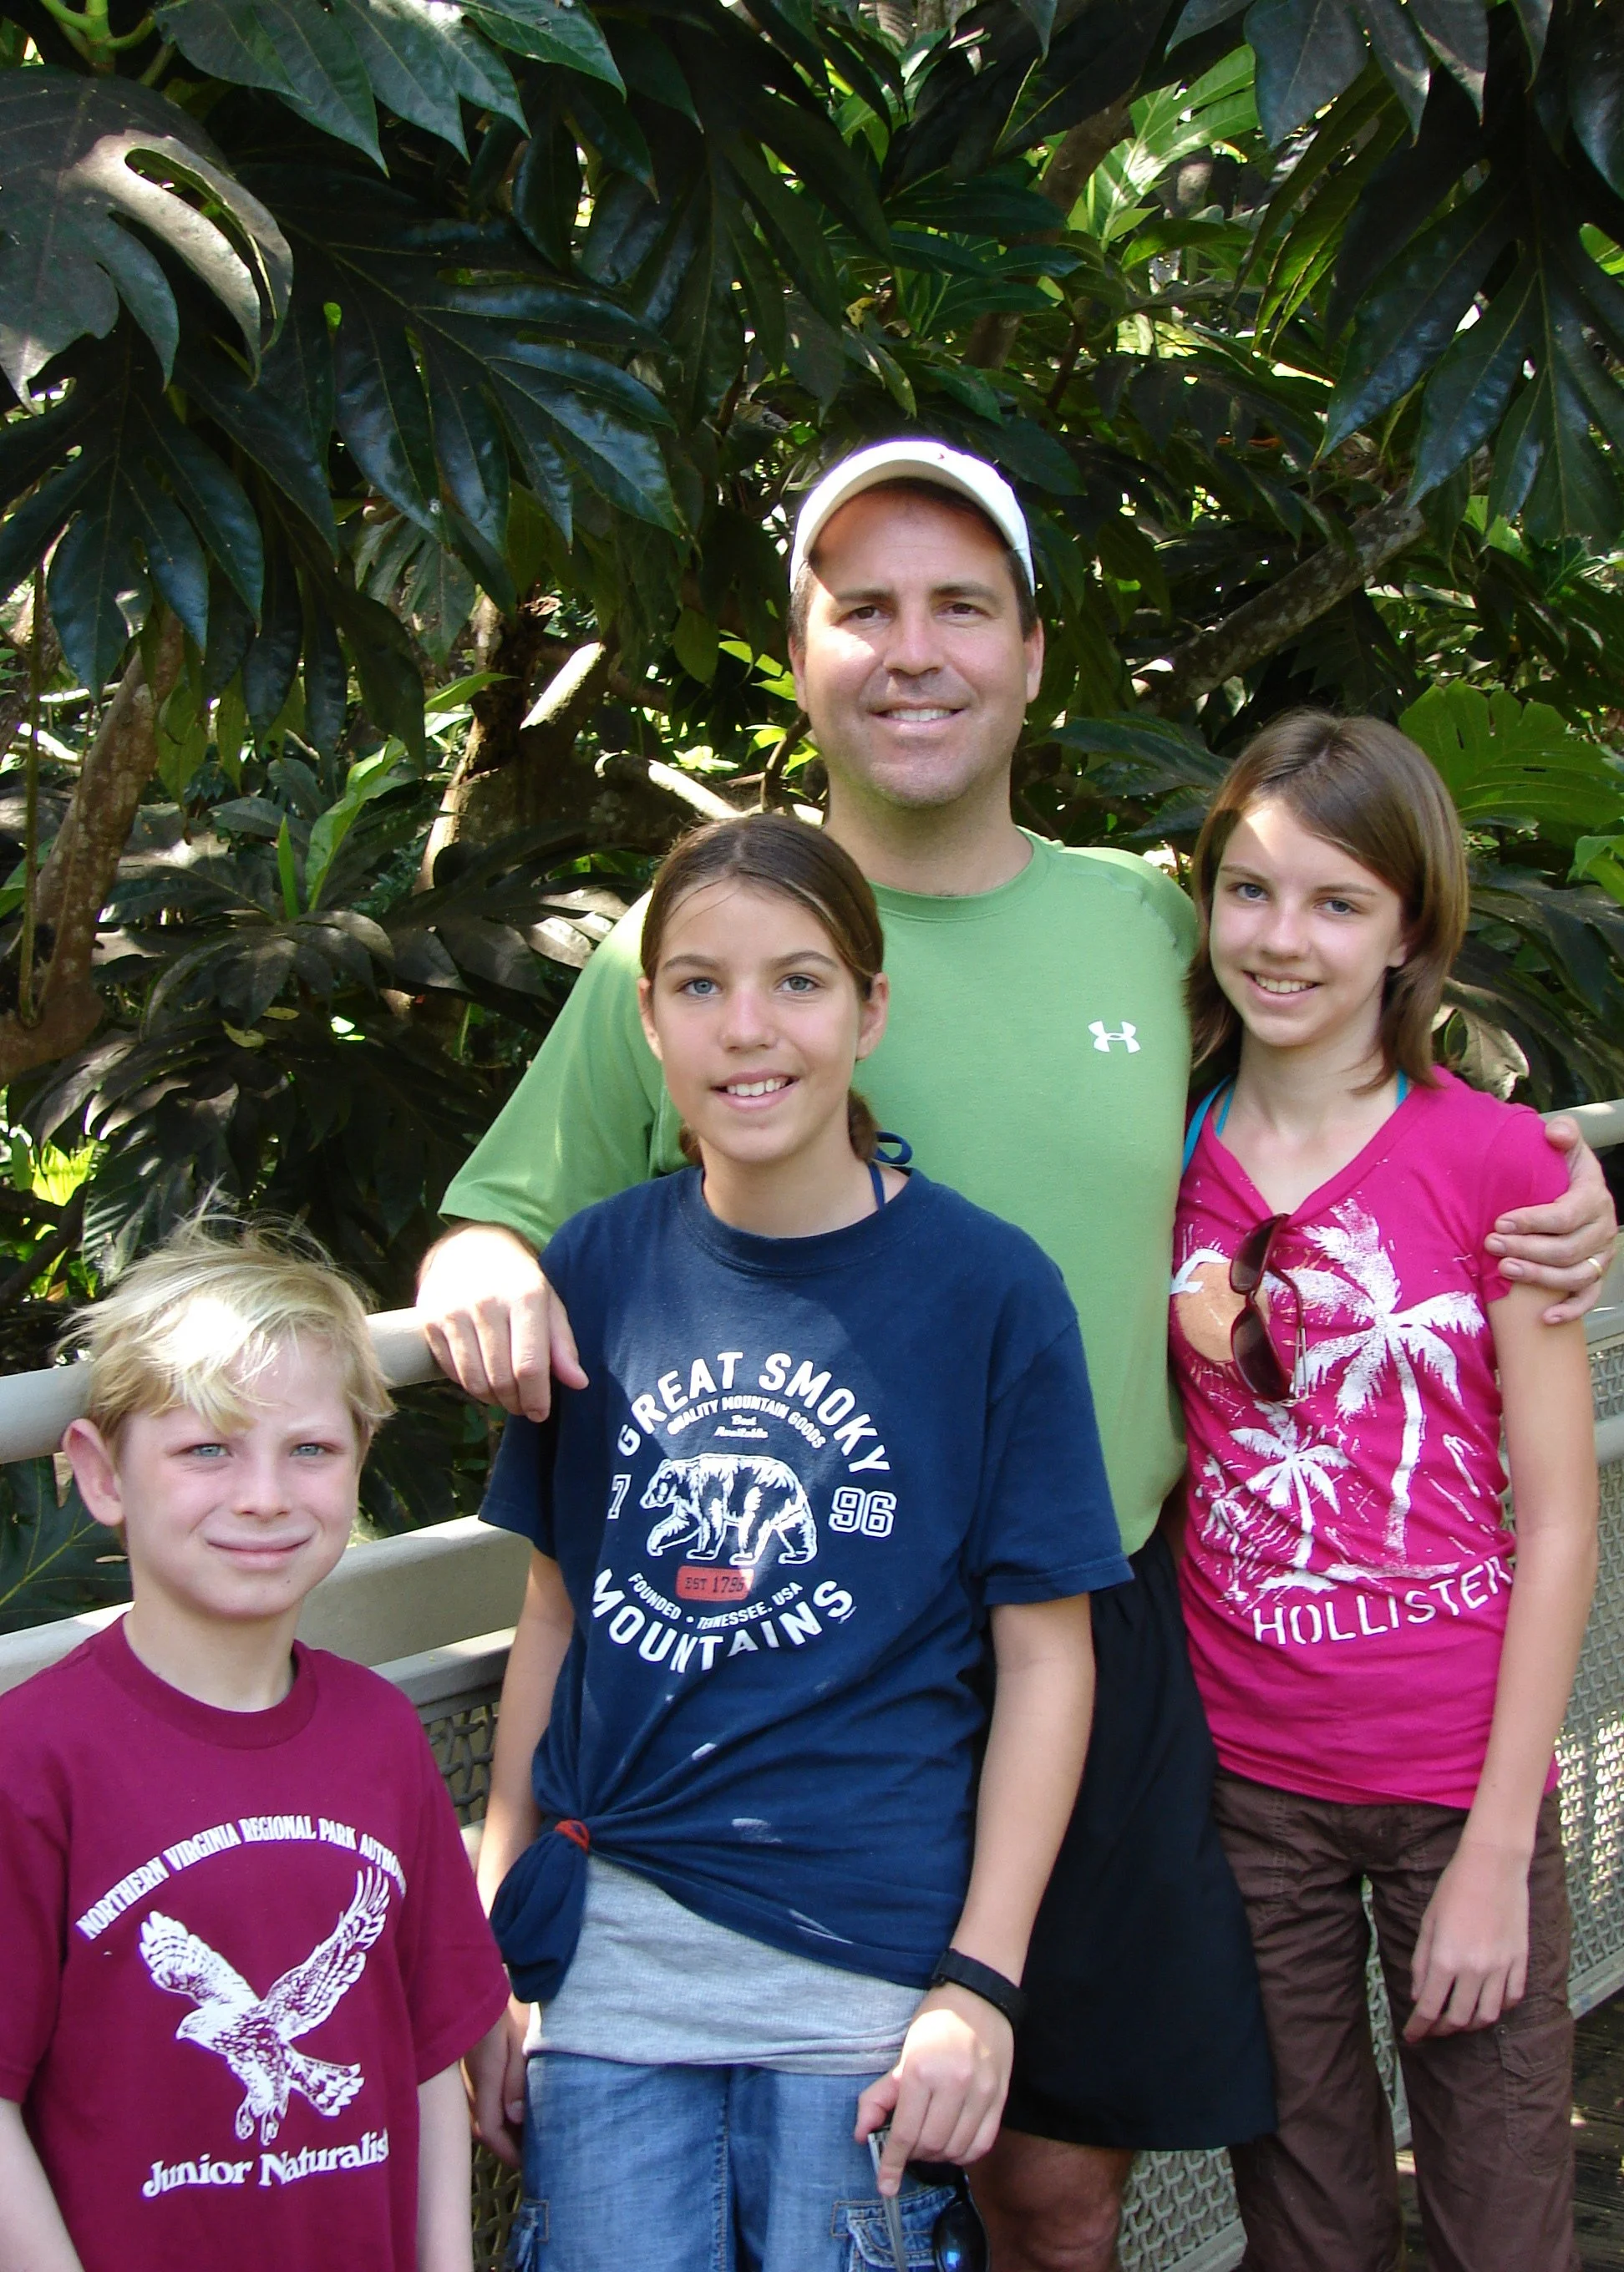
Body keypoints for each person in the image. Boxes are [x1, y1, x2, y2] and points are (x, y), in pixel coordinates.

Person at [424, 440, 1617, 2270]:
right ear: (801, 651)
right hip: (802, 1646)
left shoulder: (1150, 922)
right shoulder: (713, 945)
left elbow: (1343, 1109)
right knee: (826, 2156)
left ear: (1034, 654)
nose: (915, 652)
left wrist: (1561, 1197)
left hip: (1105, 1615)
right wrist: (484, 1257)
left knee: (1058, 2177)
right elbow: (512, 1199)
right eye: (866, 610)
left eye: (961, 607)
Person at [473, 813, 1125, 2271]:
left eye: (798, 981)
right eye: (696, 985)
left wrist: (981, 1982)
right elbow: (555, 1623)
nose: (745, 1028)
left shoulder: (987, 1292)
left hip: (862, 1984)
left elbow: (1044, 1661)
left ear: (869, 1008)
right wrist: (491, 1946)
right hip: (606, 1974)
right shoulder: (596, 1265)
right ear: (643, 1018)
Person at [1170, 713, 1600, 2272]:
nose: (1281, 942)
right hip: (1243, 1787)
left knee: (1498, 2220)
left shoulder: (1498, 1167)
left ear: (1407, 926)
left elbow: (1557, 1516)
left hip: (1451, 1783)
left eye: (1336, 903)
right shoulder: (1160, 1149)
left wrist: (1494, 1845)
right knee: (1304, 2220)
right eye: (1249, 891)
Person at [0, 1220, 511, 2272]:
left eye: (309, 1448)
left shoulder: (379, 1736)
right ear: (101, 1476)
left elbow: (426, 2053)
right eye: (206, 1448)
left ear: (359, 1459)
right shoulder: (33, 1759)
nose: (265, 1495)